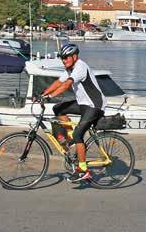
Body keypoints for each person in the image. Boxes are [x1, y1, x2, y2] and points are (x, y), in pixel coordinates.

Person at [41, 43, 107, 183]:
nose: (64, 60)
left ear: (74, 56)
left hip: (95, 106)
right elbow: (59, 82)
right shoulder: (69, 69)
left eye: (66, 58)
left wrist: (50, 97)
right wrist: (43, 94)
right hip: (83, 105)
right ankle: (70, 136)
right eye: (62, 58)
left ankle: (83, 170)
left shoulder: (80, 67)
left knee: (79, 135)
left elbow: (66, 85)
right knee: (58, 109)